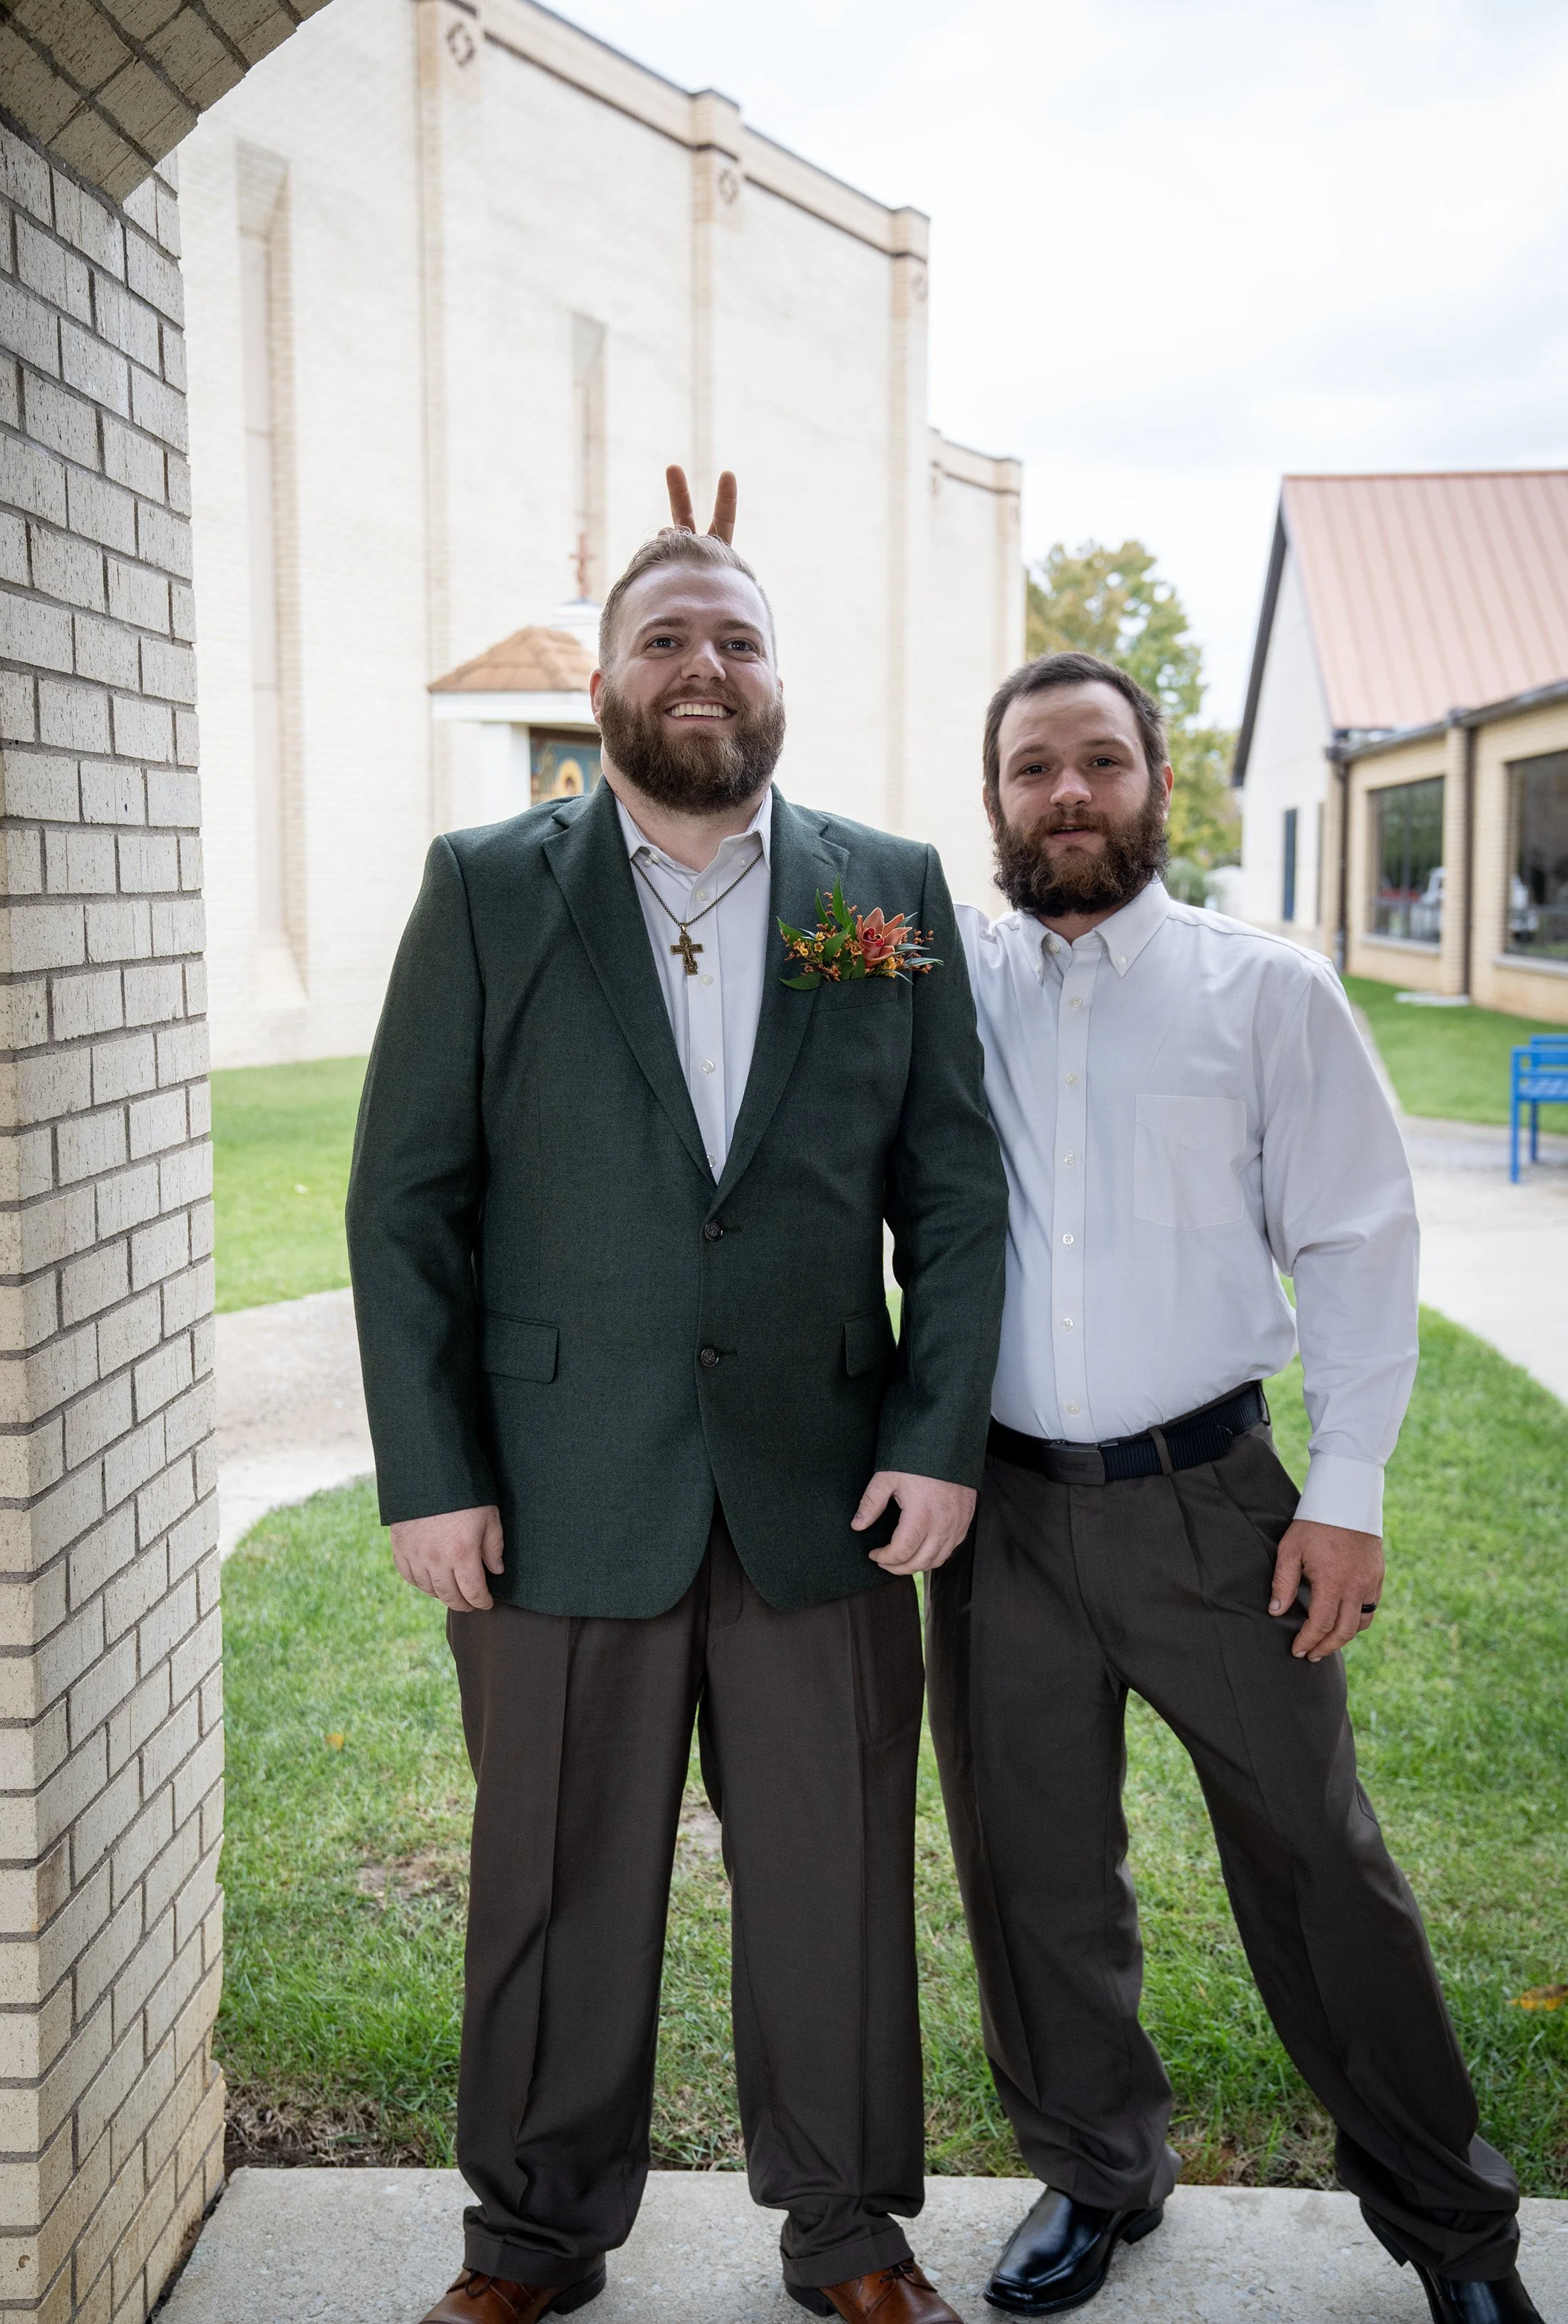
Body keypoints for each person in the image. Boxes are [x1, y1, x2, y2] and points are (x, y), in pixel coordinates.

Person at [346, 473, 1008, 2324]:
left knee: (839, 1889)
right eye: (667, 635)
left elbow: (955, 1195)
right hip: (558, 1494)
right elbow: (407, 1204)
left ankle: (854, 2234)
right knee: (554, 1884)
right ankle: (534, 2239)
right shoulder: (488, 889)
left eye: (736, 633)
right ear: (610, 676)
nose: (702, 663)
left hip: (826, 1493)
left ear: (779, 672)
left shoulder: (888, 890)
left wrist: (937, 1433)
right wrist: (432, 1468)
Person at [927, 648, 1542, 2324]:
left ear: (1156, 783)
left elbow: (1355, 1240)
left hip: (1212, 1504)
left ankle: (1451, 2227)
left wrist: (1343, 1489)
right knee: (1032, 1869)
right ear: (991, 799)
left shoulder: (1258, 993)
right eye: (1031, 767)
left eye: (1099, 763)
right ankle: (1095, 2174)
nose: (1065, 793)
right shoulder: (938, 990)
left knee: (1316, 1868)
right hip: (996, 1520)